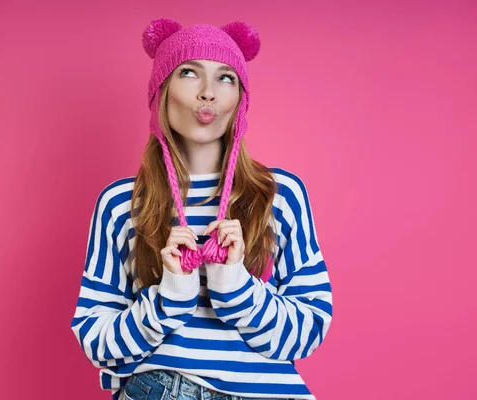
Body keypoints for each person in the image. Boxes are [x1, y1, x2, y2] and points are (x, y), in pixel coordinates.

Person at [71, 18, 333, 400]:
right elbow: (96, 339)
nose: (208, 92)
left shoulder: (279, 195)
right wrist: (170, 296)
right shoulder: (123, 203)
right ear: (161, 91)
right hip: (162, 389)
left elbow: (307, 332)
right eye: (189, 73)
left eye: (225, 78)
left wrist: (236, 284)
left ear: (239, 100)